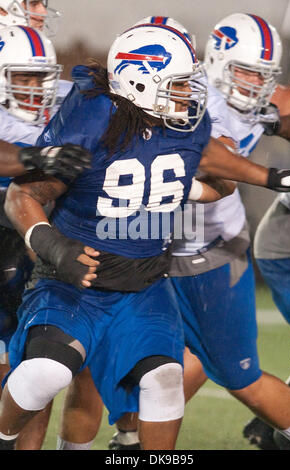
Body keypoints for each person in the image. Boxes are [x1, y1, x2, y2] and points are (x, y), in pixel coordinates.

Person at [0, 22, 290, 451]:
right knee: (47, 372)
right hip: (76, 278)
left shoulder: (185, 122)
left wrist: (264, 178)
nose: (186, 95)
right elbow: (24, 193)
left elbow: (211, 157)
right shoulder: (93, 115)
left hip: (143, 284)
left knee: (165, 379)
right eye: (175, 85)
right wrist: (51, 244)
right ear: (140, 81)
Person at [104, 15, 290, 451]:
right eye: (246, 71)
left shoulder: (255, 100)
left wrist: (274, 120)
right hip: (158, 249)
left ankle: (133, 438)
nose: (255, 84)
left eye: (263, 76)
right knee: (160, 358)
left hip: (211, 252)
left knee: (235, 372)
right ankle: (132, 437)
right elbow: (214, 154)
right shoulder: (193, 96)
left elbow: (286, 107)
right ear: (215, 62)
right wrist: (269, 173)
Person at [0, 24, 90, 451]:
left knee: (39, 366)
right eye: (23, 77)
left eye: (41, 76)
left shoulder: (66, 101)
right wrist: (38, 156)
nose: (36, 87)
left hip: (41, 248)